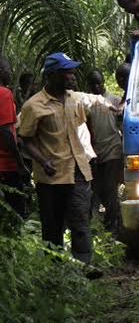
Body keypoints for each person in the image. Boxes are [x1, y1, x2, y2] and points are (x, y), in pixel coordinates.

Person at [17, 53, 94, 264]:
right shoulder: (34, 106)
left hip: (78, 171)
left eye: (72, 71)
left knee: (80, 223)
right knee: (52, 228)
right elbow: (24, 139)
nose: (72, 76)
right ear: (52, 76)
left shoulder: (75, 100)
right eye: (66, 72)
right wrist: (43, 161)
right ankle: (56, 273)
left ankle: (85, 269)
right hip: (51, 178)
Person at [85, 69, 123, 232]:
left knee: (110, 189)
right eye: (93, 84)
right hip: (96, 153)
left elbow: (122, 125)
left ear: (103, 82)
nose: (96, 86)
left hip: (113, 150)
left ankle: (112, 226)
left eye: (99, 82)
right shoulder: (87, 104)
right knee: (98, 190)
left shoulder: (114, 100)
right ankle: (110, 221)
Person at [0, 58, 30, 217]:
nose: (11, 74)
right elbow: (4, 131)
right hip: (6, 164)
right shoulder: (4, 93)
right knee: (16, 214)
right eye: (8, 70)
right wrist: (19, 163)